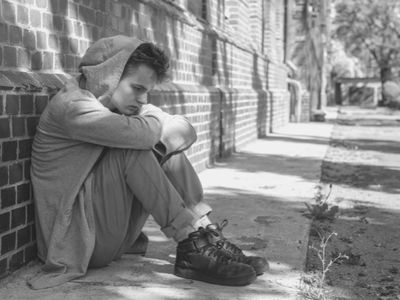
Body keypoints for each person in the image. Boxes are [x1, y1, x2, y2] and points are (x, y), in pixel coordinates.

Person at [28, 35, 268, 289]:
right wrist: (155, 127)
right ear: (108, 75)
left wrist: (156, 132)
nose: (143, 100)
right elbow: (148, 133)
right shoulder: (73, 107)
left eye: (147, 92)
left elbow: (186, 130)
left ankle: (205, 234)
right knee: (135, 149)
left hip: (113, 235)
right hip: (76, 241)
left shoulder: (119, 108)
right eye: (137, 88)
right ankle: (190, 242)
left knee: (158, 146)